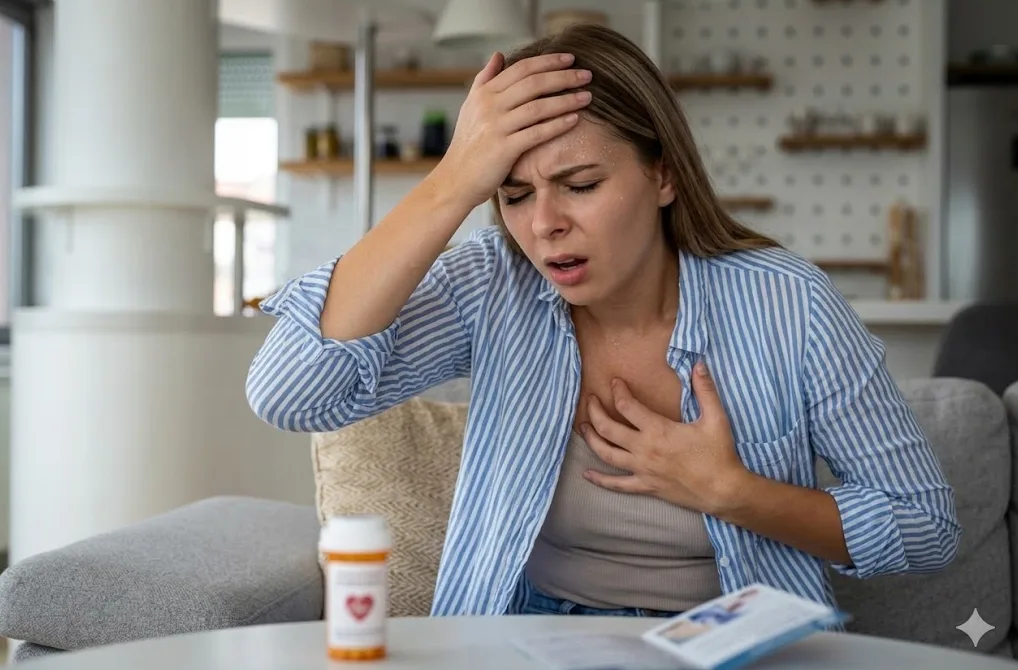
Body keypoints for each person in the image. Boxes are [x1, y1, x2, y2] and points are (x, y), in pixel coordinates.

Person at [246, 24, 960, 620]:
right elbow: (290, 393)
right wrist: (450, 184)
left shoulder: (788, 306)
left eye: (580, 185)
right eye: (515, 194)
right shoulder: (496, 284)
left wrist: (732, 492)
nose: (545, 225)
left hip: (729, 639)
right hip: (528, 638)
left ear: (663, 175)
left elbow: (927, 526)